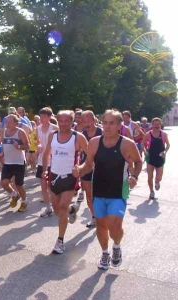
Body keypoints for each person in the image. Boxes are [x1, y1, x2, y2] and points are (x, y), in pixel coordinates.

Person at [74, 109, 142, 270]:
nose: (107, 126)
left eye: (112, 123)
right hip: (98, 190)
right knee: (101, 225)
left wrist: (134, 177)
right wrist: (80, 170)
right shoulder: (94, 142)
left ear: (119, 125)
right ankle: (105, 253)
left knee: (114, 225)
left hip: (119, 192)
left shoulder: (127, 144)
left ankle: (116, 246)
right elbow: (89, 164)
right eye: (105, 122)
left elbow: (138, 162)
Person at [42, 110, 88, 254]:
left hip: (70, 177)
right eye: (60, 121)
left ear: (72, 121)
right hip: (54, 175)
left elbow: (90, 156)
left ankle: (60, 241)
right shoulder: (52, 135)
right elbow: (46, 154)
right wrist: (45, 170)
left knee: (61, 207)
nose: (63, 124)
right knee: (57, 209)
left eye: (66, 121)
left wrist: (80, 168)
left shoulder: (78, 137)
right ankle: (72, 210)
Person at [1, 114, 30, 212]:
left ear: (16, 123)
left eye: (9, 122)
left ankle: (24, 201)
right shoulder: (4, 131)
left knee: (19, 185)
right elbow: (4, 144)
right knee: (4, 183)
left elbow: (28, 145)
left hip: (19, 162)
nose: (7, 124)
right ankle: (14, 195)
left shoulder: (20, 132)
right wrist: (2, 153)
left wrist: (19, 147)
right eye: (6, 122)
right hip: (8, 162)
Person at [79, 110, 103, 228]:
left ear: (95, 120)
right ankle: (94, 217)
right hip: (86, 167)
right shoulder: (81, 135)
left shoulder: (102, 133)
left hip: (102, 167)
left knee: (101, 194)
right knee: (89, 194)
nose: (86, 123)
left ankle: (102, 216)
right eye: (84, 121)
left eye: (88, 121)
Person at [37, 107, 58, 218]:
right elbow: (38, 141)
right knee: (43, 186)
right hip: (42, 160)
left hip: (54, 160)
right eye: (40, 116)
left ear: (50, 117)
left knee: (53, 187)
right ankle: (48, 208)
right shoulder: (38, 128)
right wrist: (39, 146)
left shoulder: (55, 128)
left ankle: (57, 206)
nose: (41, 118)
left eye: (44, 116)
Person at [141, 118, 170, 199]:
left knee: (159, 177)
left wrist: (165, 152)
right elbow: (142, 144)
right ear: (152, 125)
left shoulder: (163, 134)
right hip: (150, 157)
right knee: (150, 176)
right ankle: (151, 191)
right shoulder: (148, 134)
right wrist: (145, 151)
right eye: (155, 124)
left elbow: (168, 145)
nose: (157, 126)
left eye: (158, 124)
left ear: (160, 125)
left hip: (160, 157)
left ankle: (157, 182)